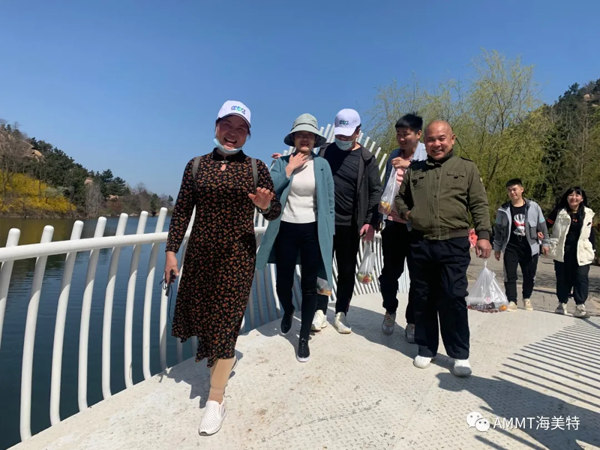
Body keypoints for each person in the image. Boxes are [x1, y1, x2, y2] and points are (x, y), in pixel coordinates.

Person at [164, 100, 281, 436]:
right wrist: (171, 252)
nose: (233, 133)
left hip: (237, 257)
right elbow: (182, 211)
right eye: (227, 125)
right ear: (216, 127)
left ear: (248, 135)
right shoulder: (196, 166)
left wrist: (265, 206)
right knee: (205, 316)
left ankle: (216, 399)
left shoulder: (256, 168)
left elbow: (274, 212)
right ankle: (218, 362)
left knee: (227, 323)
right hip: (200, 256)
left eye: (241, 128)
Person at [395, 120, 492, 377]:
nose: (436, 144)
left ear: (452, 139)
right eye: (431, 139)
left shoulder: (466, 168)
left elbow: (479, 203)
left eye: (441, 138)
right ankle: (426, 348)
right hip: (421, 243)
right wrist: (408, 214)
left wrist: (484, 235)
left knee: (452, 297)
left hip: (454, 243)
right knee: (423, 297)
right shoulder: (415, 170)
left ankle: (459, 354)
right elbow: (400, 198)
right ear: (424, 142)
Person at [256, 113, 335, 362]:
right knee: (283, 282)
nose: (305, 139)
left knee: (310, 286)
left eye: (309, 135)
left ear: (315, 140)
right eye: (301, 134)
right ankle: (289, 309)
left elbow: (329, 202)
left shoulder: (322, 165)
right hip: (285, 230)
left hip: (312, 231)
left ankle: (303, 338)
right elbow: (268, 190)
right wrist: (289, 169)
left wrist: (329, 232)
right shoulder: (281, 163)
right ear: (293, 139)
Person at [312, 108, 382, 334]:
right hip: (324, 222)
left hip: (351, 225)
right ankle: (320, 310)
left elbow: (376, 191)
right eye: (339, 134)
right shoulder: (324, 151)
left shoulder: (366, 158)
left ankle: (341, 313)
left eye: (347, 134)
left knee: (346, 270)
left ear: (358, 132)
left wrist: (371, 221)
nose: (342, 138)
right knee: (322, 267)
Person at [379, 113, 427, 340]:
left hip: (418, 227)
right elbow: (387, 186)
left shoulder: (427, 154)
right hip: (393, 225)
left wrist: (409, 165)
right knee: (389, 275)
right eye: (398, 134)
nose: (401, 139)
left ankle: (413, 321)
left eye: (405, 134)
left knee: (418, 278)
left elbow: (433, 176)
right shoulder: (393, 155)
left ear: (418, 134)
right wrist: (378, 216)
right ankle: (390, 309)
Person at [492, 179, 550, 311]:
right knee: (510, 274)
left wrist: (545, 243)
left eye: (514, 189)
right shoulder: (503, 209)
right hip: (511, 246)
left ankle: (527, 298)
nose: (512, 192)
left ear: (521, 189)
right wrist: (497, 248)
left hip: (530, 246)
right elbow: (498, 231)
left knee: (529, 274)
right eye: (509, 190)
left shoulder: (533, 207)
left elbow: (542, 226)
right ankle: (512, 300)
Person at [546, 187, 596, 318]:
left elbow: (591, 233)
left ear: (582, 198)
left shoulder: (588, 213)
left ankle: (580, 306)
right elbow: (546, 225)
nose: (574, 198)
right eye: (571, 195)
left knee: (581, 278)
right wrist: (544, 239)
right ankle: (562, 303)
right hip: (563, 250)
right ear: (567, 197)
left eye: (577, 195)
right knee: (563, 278)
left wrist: (593, 249)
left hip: (582, 251)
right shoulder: (559, 212)